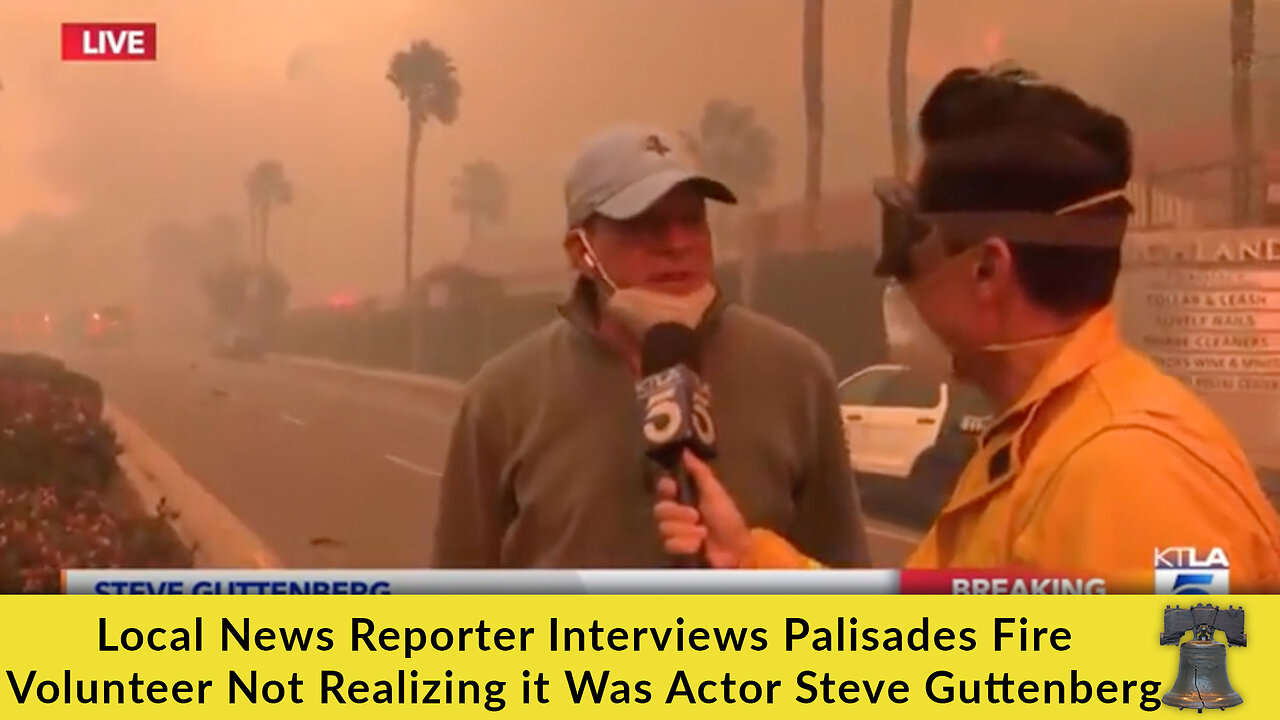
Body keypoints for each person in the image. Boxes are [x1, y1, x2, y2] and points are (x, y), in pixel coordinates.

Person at [653, 69, 1280, 590]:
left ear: (986, 268)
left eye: (914, 253)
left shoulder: (1130, 478)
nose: (899, 284)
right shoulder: (1040, 442)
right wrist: (750, 560)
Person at [431, 124, 870, 568]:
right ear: (581, 251)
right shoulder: (502, 398)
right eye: (645, 224)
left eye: (691, 220)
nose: (678, 244)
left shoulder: (795, 373)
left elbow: (848, 592)